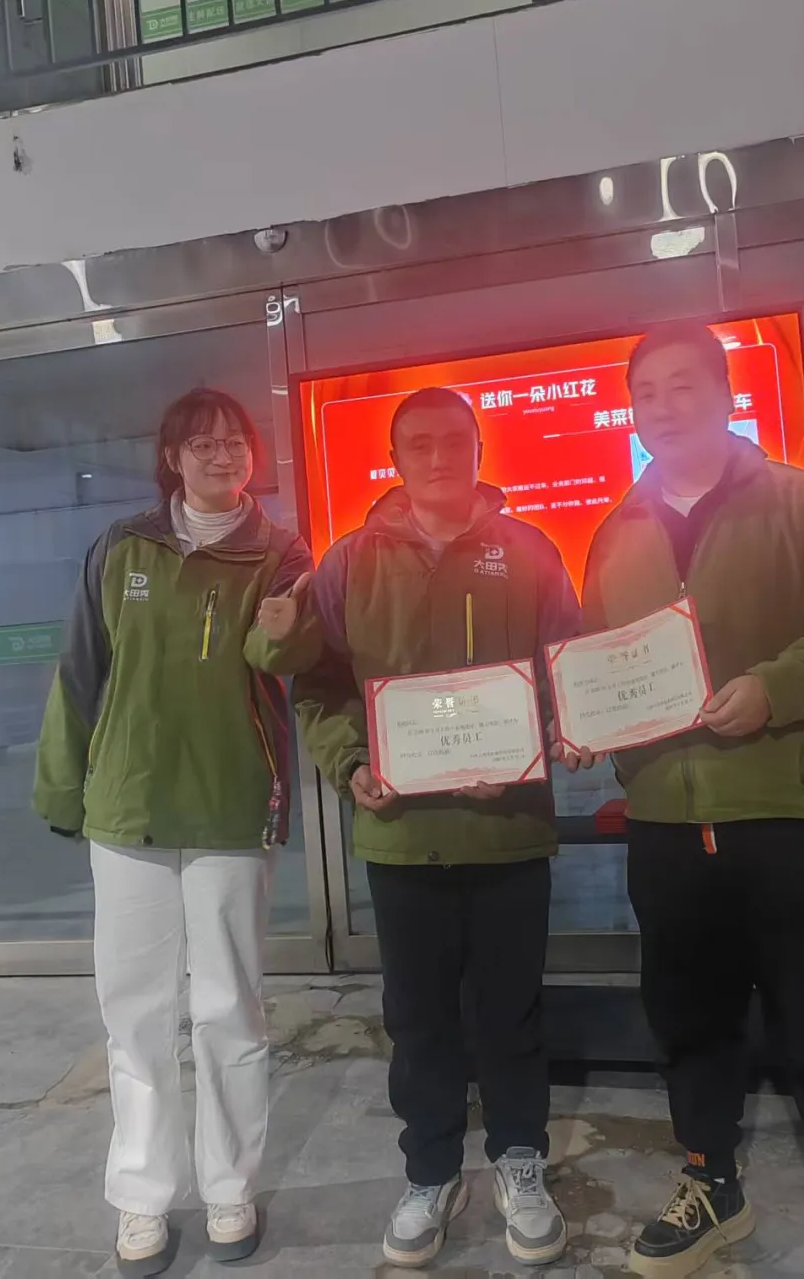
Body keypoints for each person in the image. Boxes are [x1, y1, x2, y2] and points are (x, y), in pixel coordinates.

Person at [572, 322, 804, 1279]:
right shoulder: (616, 531)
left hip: (787, 814)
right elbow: (598, 661)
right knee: (690, 1021)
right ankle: (711, 1182)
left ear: (725, 396)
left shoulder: (801, 503)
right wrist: (585, 721)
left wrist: (776, 686)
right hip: (666, 826)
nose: (663, 406)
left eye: (683, 385)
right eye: (645, 392)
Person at [34, 388, 320, 1276]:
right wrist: (63, 785)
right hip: (129, 808)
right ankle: (141, 1197)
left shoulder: (281, 552)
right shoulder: (123, 547)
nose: (221, 456)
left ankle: (230, 1186)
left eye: (234, 442)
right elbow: (81, 670)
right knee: (135, 1013)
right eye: (202, 444)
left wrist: (286, 631)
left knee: (230, 1007)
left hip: (232, 804)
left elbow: (284, 660)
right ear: (172, 458)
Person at [293, 387, 580, 1270]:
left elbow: (564, 669)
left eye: (453, 440)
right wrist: (350, 763)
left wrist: (539, 739)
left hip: (506, 828)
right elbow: (318, 685)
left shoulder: (529, 551)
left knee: (511, 1009)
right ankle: (430, 1171)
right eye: (417, 444)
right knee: (416, 1017)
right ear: (394, 459)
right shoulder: (350, 563)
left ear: (479, 448)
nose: (438, 456)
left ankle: (520, 1159)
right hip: (401, 832)